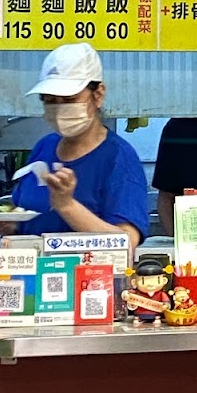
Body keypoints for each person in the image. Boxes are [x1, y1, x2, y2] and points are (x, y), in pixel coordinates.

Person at [12, 43, 149, 247]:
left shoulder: (118, 158)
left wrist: (67, 205)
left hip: (90, 268)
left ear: (98, 95)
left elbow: (127, 241)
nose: (59, 109)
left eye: (69, 99)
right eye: (49, 100)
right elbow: (22, 210)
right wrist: (11, 225)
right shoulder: (44, 147)